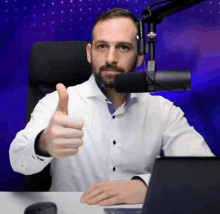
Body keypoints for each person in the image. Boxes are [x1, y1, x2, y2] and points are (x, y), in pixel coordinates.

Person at [9, 8, 215, 207]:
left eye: (123, 47)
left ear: (140, 56)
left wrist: (146, 185)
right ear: (89, 53)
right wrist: (44, 143)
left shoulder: (163, 110)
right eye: (102, 47)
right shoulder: (56, 102)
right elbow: (18, 161)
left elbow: (204, 173)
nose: (110, 59)